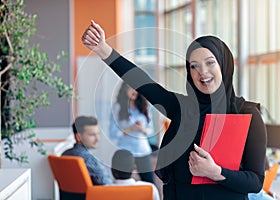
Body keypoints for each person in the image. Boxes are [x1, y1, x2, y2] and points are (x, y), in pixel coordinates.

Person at [81, 20, 267, 200]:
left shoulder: (247, 115)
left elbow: (255, 182)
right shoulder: (182, 108)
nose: (202, 72)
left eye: (210, 63)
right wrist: (103, 49)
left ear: (224, 66)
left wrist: (215, 172)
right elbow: (142, 82)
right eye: (194, 66)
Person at [109, 82, 155, 184]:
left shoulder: (144, 106)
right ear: (125, 89)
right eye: (130, 88)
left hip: (143, 150)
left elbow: (150, 131)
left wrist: (142, 129)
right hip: (125, 152)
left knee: (150, 182)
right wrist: (130, 129)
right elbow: (112, 134)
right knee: (122, 183)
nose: (134, 91)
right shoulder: (117, 107)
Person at [62, 115, 114, 185]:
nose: (97, 139)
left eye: (98, 134)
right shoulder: (88, 159)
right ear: (78, 137)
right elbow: (106, 185)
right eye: (92, 135)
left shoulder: (65, 154)